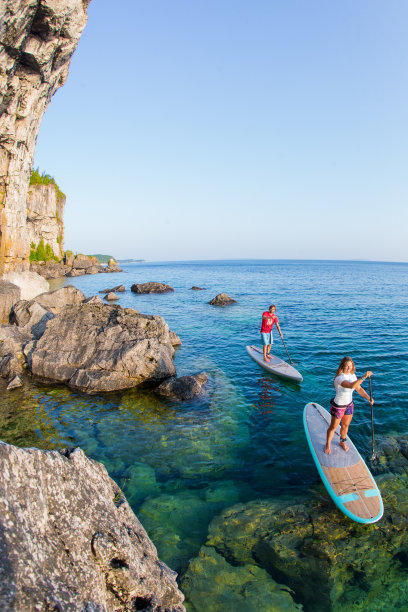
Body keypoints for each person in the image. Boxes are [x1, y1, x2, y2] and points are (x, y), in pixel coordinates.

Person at [324, 356, 374, 455]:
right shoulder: (339, 378)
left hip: (349, 405)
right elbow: (351, 386)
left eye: (350, 366)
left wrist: (368, 398)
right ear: (342, 366)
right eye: (346, 366)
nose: (348, 368)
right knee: (333, 427)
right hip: (338, 406)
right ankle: (327, 444)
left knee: (346, 425)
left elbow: (359, 389)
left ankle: (342, 442)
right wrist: (364, 377)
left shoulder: (353, 376)